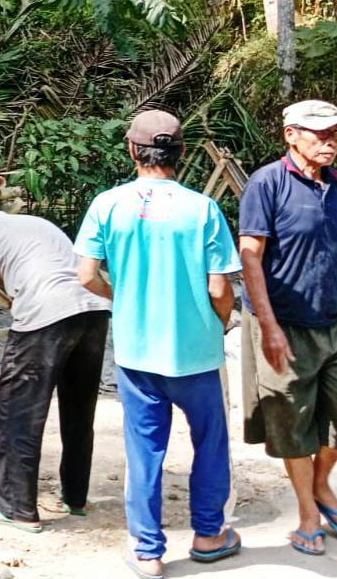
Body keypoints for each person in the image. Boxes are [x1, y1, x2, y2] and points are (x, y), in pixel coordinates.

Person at [75, 110, 243, 576]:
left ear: (132, 150)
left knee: (144, 449)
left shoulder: (107, 205)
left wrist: (122, 296)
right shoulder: (202, 208)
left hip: (136, 352)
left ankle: (147, 551)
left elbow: (86, 275)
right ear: (181, 154)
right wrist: (222, 322)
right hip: (197, 353)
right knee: (210, 443)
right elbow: (218, 289)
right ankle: (209, 536)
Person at [237, 100, 337, 557]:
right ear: (290, 134)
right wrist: (270, 326)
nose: (330, 141)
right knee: (292, 422)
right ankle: (306, 513)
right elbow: (250, 258)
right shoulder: (266, 184)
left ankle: (322, 485)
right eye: (319, 133)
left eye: (336, 133)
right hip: (285, 324)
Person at [0, 192, 111, 532]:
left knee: (17, 411)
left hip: (46, 314)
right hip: (94, 312)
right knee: (79, 410)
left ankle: (18, 508)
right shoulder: (34, 223)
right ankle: (75, 498)